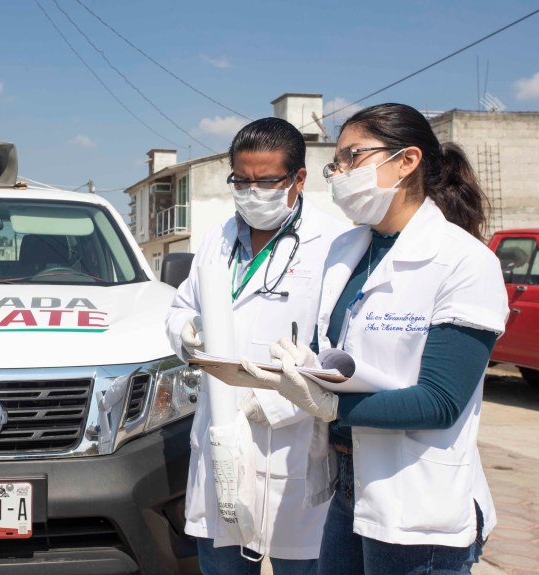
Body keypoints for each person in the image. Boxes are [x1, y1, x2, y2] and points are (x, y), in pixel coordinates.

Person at [241, 103, 508, 574]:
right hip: (348, 483)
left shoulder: (463, 261)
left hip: (416, 501)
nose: (340, 173)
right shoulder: (348, 248)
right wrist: (306, 369)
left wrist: (331, 406)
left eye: (352, 158)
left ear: (406, 161)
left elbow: (441, 402)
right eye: (336, 163)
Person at [165, 118, 349, 574]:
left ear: (298, 179)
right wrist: (187, 331)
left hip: (293, 439)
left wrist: (275, 404)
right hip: (221, 435)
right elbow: (179, 308)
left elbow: (337, 348)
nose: (252, 191)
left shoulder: (334, 244)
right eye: (241, 181)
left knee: (299, 561)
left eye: (266, 181)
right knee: (223, 560)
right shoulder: (218, 238)